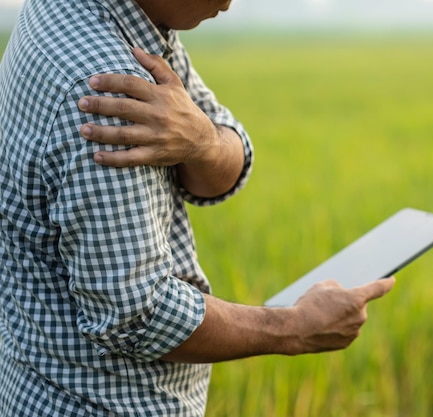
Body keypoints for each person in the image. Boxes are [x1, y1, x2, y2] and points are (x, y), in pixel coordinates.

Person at [0, 0, 396, 415]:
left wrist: (203, 142)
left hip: (33, 381)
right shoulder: (110, 89)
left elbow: (229, 159)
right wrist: (296, 327)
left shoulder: (115, 21)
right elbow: (139, 315)